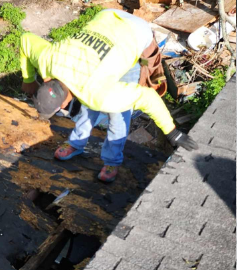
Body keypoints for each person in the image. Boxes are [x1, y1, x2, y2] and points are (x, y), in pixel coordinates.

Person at [20, 9, 198, 183]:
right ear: (47, 80)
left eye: (60, 108)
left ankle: (112, 161)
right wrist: (28, 79)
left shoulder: (99, 93)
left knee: (118, 112)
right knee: (88, 101)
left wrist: (172, 132)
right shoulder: (47, 59)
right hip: (107, 17)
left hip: (134, 32)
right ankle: (76, 143)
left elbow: (148, 97)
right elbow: (26, 40)